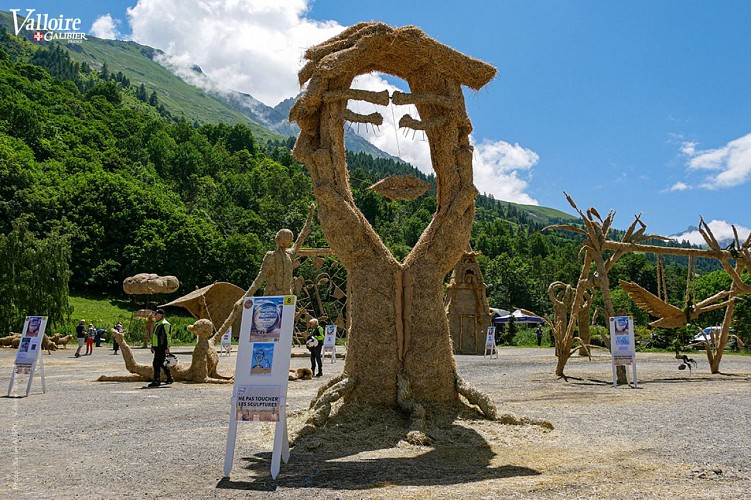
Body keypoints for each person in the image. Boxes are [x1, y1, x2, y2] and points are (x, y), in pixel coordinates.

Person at [149, 309, 173, 387]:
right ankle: (170, 378)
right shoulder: (158, 324)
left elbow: (168, 337)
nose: (155, 315)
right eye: (155, 314)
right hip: (157, 347)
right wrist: (153, 346)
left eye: (157, 314)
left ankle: (157, 380)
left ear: (161, 315)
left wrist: (167, 347)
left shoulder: (165, 324)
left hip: (162, 347)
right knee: (162, 363)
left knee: (156, 363)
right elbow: (155, 337)